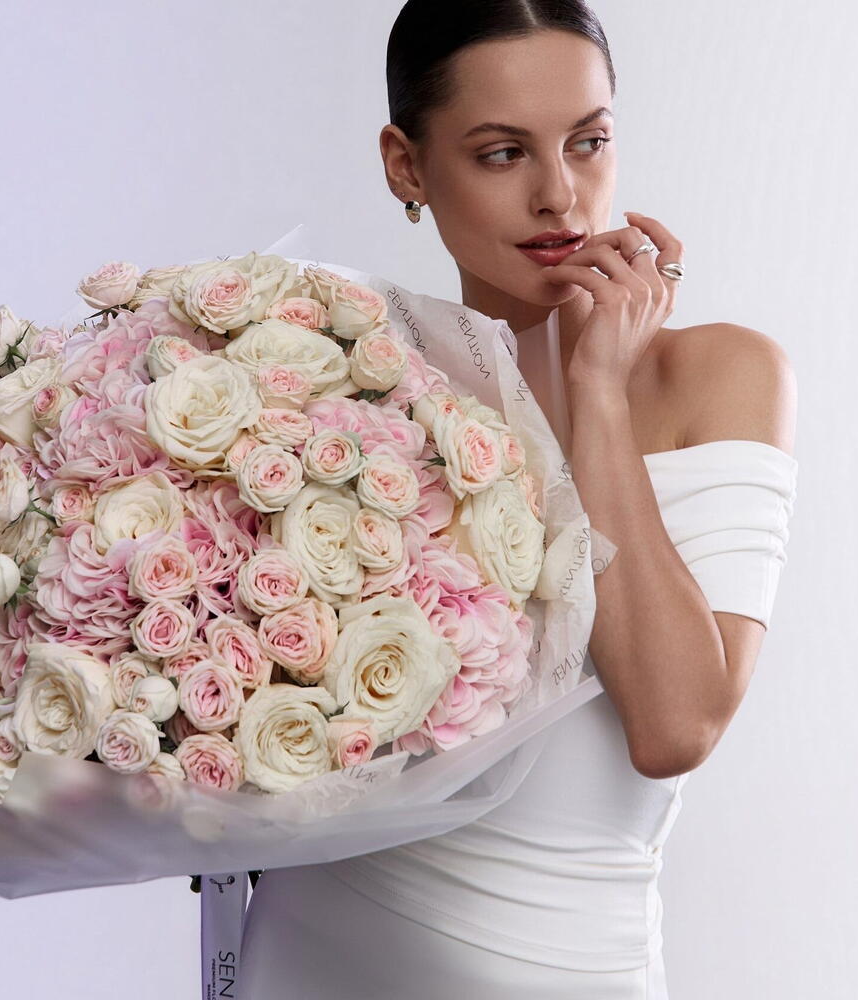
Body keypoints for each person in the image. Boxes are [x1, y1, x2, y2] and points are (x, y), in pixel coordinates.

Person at [238, 2, 799, 997]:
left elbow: (675, 725)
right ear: (407, 167)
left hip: (563, 968)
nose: (559, 195)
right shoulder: (346, 388)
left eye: (588, 142)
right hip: (314, 944)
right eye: (502, 153)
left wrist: (597, 392)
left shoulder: (720, 376)